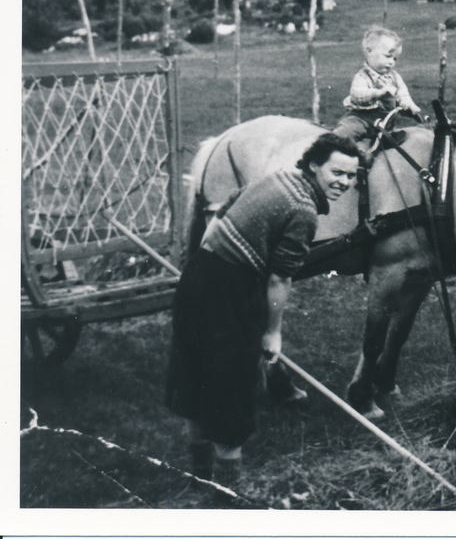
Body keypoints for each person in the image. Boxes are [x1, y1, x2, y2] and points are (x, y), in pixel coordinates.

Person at [164, 133, 359, 495]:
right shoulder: (303, 210)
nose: (344, 183)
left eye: (351, 177)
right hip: (227, 290)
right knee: (231, 384)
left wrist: (214, 254)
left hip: (198, 275)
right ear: (314, 165)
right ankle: (225, 492)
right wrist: (272, 333)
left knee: (193, 376)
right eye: (337, 172)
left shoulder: (279, 178)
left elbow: (224, 209)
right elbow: (280, 277)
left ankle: (200, 479)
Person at [332, 26, 422, 156]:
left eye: (395, 59)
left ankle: (376, 155)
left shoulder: (395, 77)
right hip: (361, 119)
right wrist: (378, 93)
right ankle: (339, 155)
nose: (391, 62)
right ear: (369, 51)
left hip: (384, 122)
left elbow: (403, 93)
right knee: (342, 136)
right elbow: (357, 95)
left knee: (399, 141)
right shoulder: (362, 76)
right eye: (388, 56)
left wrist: (409, 106)